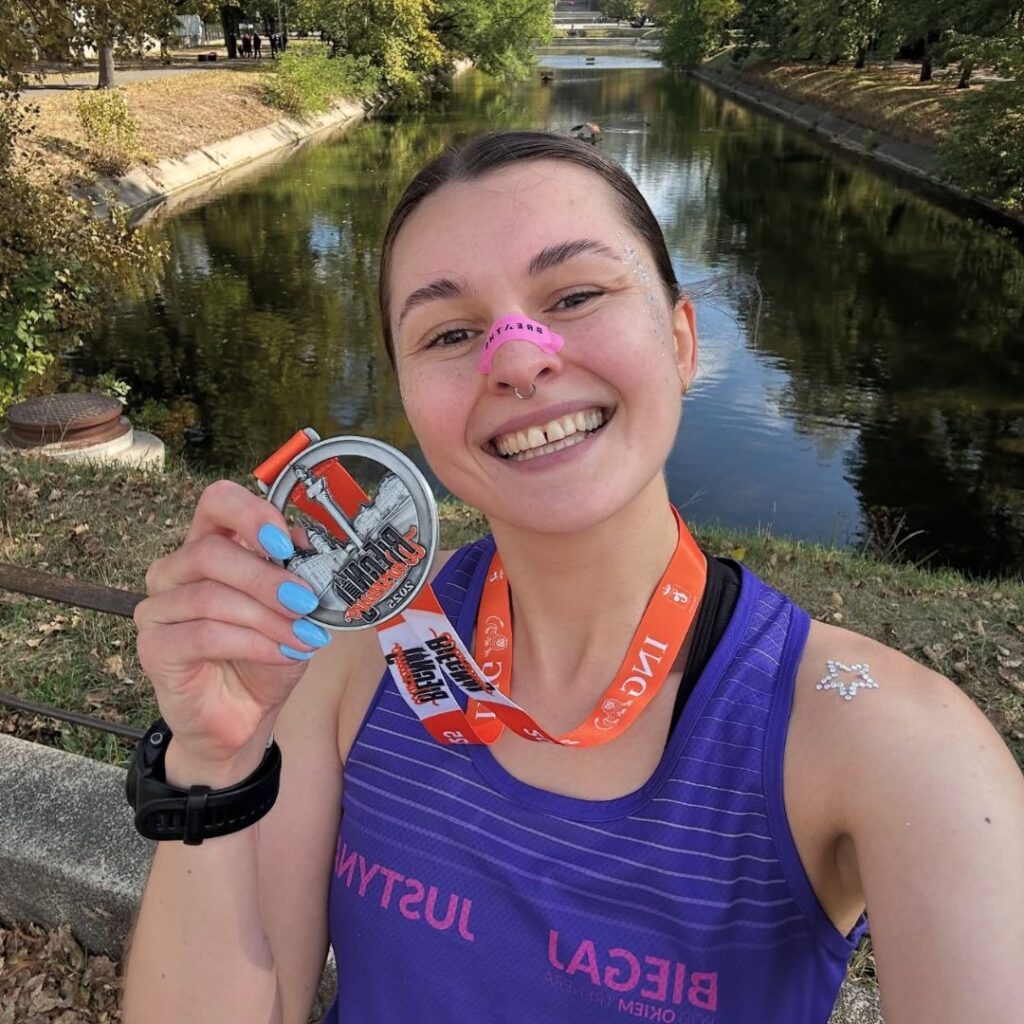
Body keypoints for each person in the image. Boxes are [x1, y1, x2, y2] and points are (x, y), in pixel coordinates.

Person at [122, 131, 1024, 1023]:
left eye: (577, 294)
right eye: (451, 333)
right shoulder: (359, 651)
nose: (517, 359)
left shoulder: (891, 748)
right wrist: (216, 766)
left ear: (681, 340)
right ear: (409, 401)